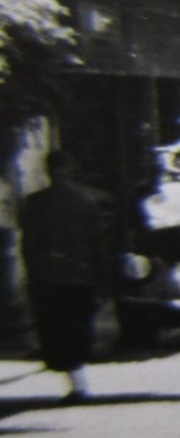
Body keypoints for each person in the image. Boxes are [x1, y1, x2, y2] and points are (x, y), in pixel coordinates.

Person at [19, 150, 109, 400]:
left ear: (48, 171)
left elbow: (29, 245)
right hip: (79, 276)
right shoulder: (86, 201)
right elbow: (97, 243)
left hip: (50, 278)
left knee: (57, 331)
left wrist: (33, 273)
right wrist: (101, 277)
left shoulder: (35, 202)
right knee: (76, 329)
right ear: (71, 168)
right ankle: (78, 382)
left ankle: (77, 384)